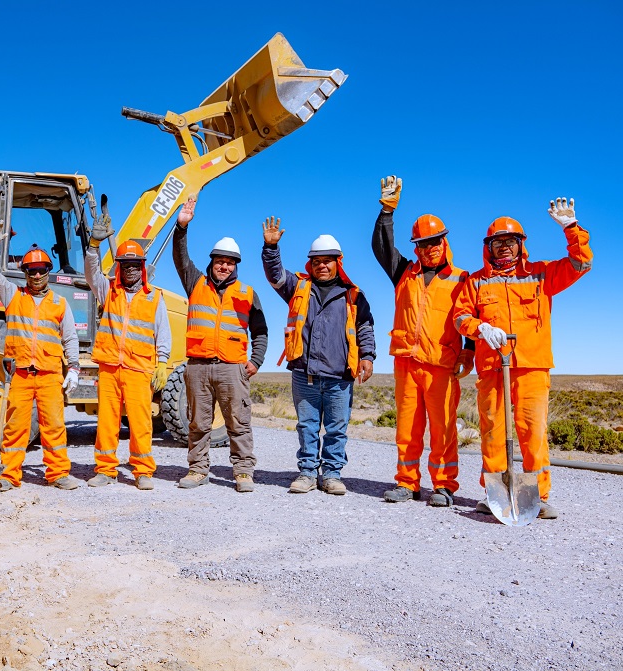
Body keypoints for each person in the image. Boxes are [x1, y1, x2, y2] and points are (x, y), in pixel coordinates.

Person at [454, 197, 592, 519]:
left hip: (531, 366)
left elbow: (582, 263)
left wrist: (571, 228)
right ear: (489, 247)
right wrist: (480, 328)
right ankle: (496, 495)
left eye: (510, 242)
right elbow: (460, 317)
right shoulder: (475, 282)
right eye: (498, 242)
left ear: (520, 245)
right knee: (492, 432)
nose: (504, 248)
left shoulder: (542, 275)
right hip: (492, 367)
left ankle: (538, 497)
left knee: (533, 432)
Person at [372, 175, 475, 508]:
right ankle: (407, 482)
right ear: (415, 247)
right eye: (422, 244)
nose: (428, 248)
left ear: (445, 242)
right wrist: (387, 212)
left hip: (442, 364)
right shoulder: (404, 272)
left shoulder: (462, 279)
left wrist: (469, 352)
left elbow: (471, 317)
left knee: (443, 429)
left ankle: (444, 486)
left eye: (434, 242)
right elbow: (381, 247)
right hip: (406, 361)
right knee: (407, 426)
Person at [262, 220, 376, 495]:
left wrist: (368, 356)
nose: (322, 265)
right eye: (317, 261)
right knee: (307, 427)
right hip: (305, 374)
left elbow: (365, 328)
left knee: (337, 429)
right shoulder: (298, 287)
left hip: (340, 376)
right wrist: (271, 247)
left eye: (328, 261)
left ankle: (332, 474)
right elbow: (275, 275)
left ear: (339, 262)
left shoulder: (353, 295)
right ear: (310, 264)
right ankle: (307, 473)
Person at [171, 196, 268, 493]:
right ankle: (198, 470)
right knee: (198, 423)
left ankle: (242, 472)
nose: (223, 266)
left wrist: (256, 361)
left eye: (229, 262)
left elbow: (261, 331)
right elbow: (180, 257)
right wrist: (181, 227)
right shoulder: (195, 282)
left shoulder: (247, 293)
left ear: (235, 265)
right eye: (219, 261)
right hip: (198, 368)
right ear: (211, 262)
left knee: (238, 422)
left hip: (231, 369)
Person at [0, 217, 84, 491]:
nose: (36, 275)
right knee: (15, 428)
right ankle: (8, 476)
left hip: (50, 375)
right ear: (25, 272)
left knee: (54, 426)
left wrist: (73, 368)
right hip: (19, 376)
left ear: (48, 271)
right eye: (31, 271)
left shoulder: (59, 303)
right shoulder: (13, 296)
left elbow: (70, 337)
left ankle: (58, 473)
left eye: (41, 270)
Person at [84, 210, 172, 490]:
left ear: (142, 267)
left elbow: (163, 332)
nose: (131, 269)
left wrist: (162, 362)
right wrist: (93, 246)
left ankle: (143, 471)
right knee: (107, 422)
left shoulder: (154, 297)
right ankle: (105, 469)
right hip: (110, 367)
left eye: (135, 264)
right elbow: (91, 273)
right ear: (119, 266)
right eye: (125, 264)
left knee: (140, 422)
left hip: (139, 369)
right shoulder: (107, 290)